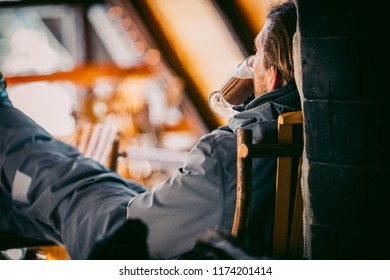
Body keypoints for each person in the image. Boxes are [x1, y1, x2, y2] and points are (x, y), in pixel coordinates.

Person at [0, 0, 299, 260]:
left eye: (257, 53)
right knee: (63, 188)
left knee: (61, 177)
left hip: (124, 241)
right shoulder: (290, 137)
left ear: (271, 78)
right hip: (167, 232)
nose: (249, 62)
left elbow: (141, 230)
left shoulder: (228, 151)